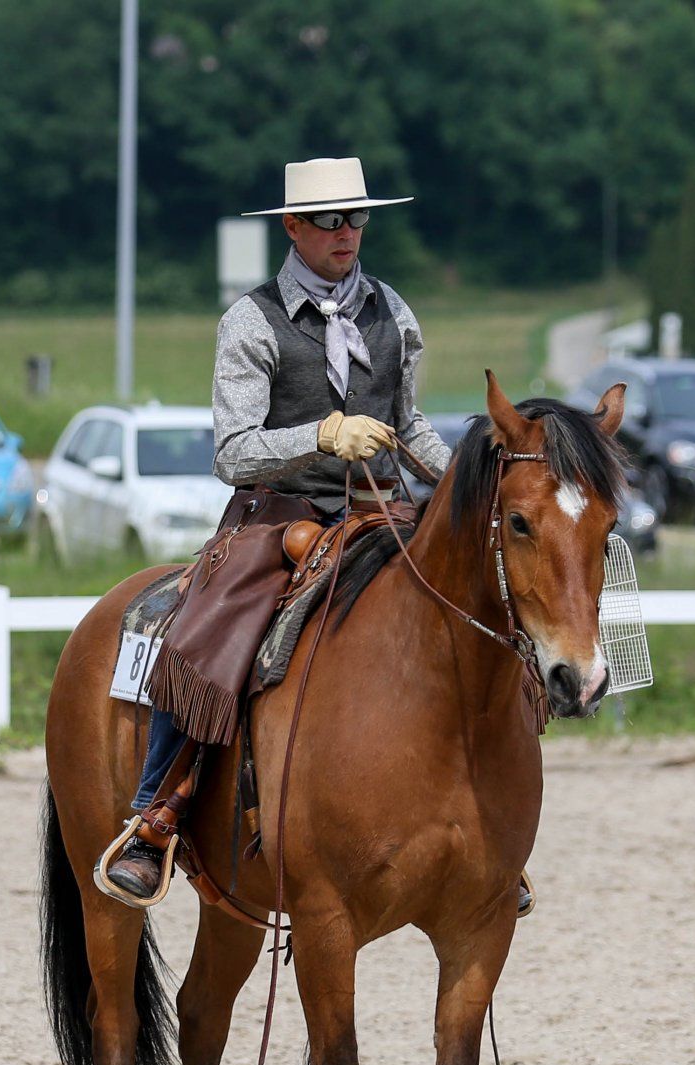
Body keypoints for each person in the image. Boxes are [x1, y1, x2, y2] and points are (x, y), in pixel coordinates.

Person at [102, 156, 452, 899]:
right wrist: (321, 435)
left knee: (467, 602)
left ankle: (478, 816)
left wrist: (460, 487)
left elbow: (409, 421)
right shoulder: (250, 321)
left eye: (356, 217)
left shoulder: (394, 311)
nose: (346, 232)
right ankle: (158, 811)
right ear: (292, 226)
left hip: (378, 510)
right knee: (211, 629)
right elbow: (233, 451)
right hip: (279, 515)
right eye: (328, 220)